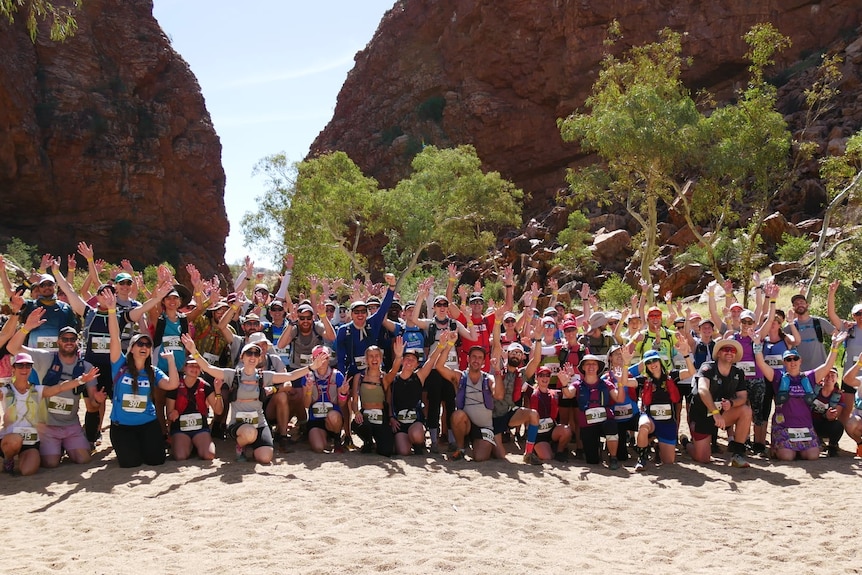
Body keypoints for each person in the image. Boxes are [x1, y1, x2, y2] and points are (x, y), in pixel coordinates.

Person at [181, 334, 323, 463]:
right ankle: (241, 445)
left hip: (259, 423)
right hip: (238, 424)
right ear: (242, 357)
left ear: (260, 358)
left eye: (256, 354)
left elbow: (290, 377)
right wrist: (194, 351)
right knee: (250, 433)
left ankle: (253, 444)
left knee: (265, 458)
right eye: (249, 353)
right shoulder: (233, 375)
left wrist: (312, 367)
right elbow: (208, 368)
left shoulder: (263, 376)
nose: (252, 356)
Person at [6, 307, 98, 468]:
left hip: (71, 425)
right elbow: (13, 348)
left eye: (72, 339)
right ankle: (56, 447)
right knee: (50, 463)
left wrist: (98, 400)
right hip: (47, 426)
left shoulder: (86, 366)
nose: (69, 342)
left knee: (84, 459)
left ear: (77, 342)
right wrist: (26, 328)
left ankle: (67, 444)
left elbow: (94, 401)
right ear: (58, 342)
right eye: (65, 339)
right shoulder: (45, 358)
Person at [103, 290, 180, 468]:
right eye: (140, 344)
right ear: (131, 348)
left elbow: (172, 384)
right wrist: (112, 311)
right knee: (131, 463)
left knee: (156, 461)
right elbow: (114, 337)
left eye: (147, 344)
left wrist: (171, 361)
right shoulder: (119, 365)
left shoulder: (152, 371)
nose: (144, 347)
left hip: (147, 424)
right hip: (122, 426)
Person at [752, 330, 847, 461]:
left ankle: (797, 448)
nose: (792, 362)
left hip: (804, 426)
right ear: (784, 362)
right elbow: (761, 364)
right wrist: (757, 345)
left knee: (813, 456)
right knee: (787, 456)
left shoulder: (809, 377)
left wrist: (835, 346)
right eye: (788, 359)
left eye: (795, 358)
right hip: (784, 426)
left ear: (800, 360)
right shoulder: (778, 377)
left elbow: (827, 366)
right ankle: (777, 449)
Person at [1, 349, 97, 476]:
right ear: (13, 369)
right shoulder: (6, 390)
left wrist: (80, 380)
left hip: (30, 441)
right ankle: (8, 460)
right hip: (10, 438)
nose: (24, 369)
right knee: (15, 440)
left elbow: (60, 388)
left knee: (28, 471)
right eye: (20, 365)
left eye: (28, 365)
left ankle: (20, 457)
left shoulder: (37, 390)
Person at [685, 338, 752, 468]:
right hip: (702, 414)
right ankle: (686, 443)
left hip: (723, 414)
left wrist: (732, 403)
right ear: (719, 353)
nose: (729, 353)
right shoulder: (707, 367)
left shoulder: (738, 372)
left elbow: (743, 397)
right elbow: (702, 390)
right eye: (725, 349)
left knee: (746, 410)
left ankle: (737, 454)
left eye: (732, 350)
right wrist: (715, 412)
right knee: (703, 458)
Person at [433, 331, 498, 462]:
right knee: (457, 415)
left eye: (480, 358)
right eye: (473, 357)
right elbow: (439, 366)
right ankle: (461, 449)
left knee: (480, 458)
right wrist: (450, 344)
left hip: (484, 427)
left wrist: (497, 372)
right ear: (468, 359)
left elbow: (498, 392)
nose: (476, 360)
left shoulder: (488, 378)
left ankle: (480, 444)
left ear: (483, 362)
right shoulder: (459, 376)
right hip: (466, 425)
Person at [631, 341, 695, 472]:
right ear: (646, 365)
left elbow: (691, 372)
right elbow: (625, 381)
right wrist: (626, 363)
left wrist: (686, 355)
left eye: (655, 360)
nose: (652, 364)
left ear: (660, 362)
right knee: (643, 426)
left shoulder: (672, 376)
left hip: (667, 422)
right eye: (648, 362)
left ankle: (657, 446)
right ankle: (642, 459)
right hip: (651, 421)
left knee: (669, 461)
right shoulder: (644, 380)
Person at [386, 336, 445, 456]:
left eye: (413, 360)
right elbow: (388, 401)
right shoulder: (393, 378)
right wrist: (391, 417)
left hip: (415, 421)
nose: (409, 362)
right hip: (399, 423)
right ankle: (407, 442)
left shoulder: (419, 376)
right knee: (403, 452)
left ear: (416, 364)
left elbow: (431, 360)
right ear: (402, 361)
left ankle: (418, 444)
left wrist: (440, 346)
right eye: (407, 358)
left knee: (417, 435)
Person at [573, 353, 627, 469]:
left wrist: (620, 383)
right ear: (583, 367)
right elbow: (568, 393)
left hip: (605, 421)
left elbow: (620, 398)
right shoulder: (578, 384)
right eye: (587, 364)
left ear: (598, 367)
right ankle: (598, 446)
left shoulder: (607, 384)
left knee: (612, 426)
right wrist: (564, 383)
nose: (591, 367)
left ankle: (613, 457)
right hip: (587, 425)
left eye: (594, 364)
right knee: (592, 461)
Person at [165, 357, 223, 461]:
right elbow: (169, 413)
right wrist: (171, 415)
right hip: (180, 429)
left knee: (209, 455)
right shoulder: (175, 386)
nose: (194, 368)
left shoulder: (205, 386)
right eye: (191, 365)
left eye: (197, 366)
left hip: (200, 429)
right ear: (184, 368)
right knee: (180, 456)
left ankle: (197, 445)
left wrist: (218, 392)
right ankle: (188, 445)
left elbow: (218, 411)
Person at [304, 345, 348, 454]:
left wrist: (343, 393)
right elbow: (306, 404)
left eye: (325, 357)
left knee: (333, 416)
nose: (322, 361)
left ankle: (337, 439)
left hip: (333, 418)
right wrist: (309, 390)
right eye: (318, 358)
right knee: (319, 448)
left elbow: (342, 404)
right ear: (312, 360)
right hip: (315, 420)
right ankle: (325, 438)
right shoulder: (307, 376)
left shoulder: (337, 375)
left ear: (329, 359)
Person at [351, 346, 394, 456]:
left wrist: (390, 418)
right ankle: (368, 441)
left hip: (381, 416)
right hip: (365, 416)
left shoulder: (384, 377)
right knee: (357, 424)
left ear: (381, 358)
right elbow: (354, 401)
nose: (374, 359)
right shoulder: (359, 377)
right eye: (371, 356)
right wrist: (356, 412)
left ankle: (377, 441)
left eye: (377, 356)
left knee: (386, 451)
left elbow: (389, 401)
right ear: (366, 359)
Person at [527, 365, 574, 462]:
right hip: (538, 434)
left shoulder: (554, 393)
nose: (545, 378)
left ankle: (559, 451)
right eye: (541, 375)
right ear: (537, 377)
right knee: (547, 457)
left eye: (547, 375)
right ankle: (538, 448)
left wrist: (567, 381)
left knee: (566, 431)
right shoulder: (531, 391)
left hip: (551, 430)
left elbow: (569, 394)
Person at [810, 367, 844, 457]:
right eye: (827, 375)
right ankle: (817, 442)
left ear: (837, 378)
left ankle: (832, 446)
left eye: (833, 375)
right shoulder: (814, 389)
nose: (829, 377)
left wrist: (830, 416)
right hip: (809, 422)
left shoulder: (839, 395)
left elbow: (837, 414)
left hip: (825, 423)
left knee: (838, 425)